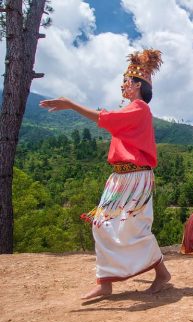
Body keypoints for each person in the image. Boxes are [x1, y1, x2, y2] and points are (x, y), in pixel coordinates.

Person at [39, 49, 171, 299]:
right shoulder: (130, 112)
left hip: (135, 176)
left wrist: (70, 104)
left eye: (126, 81)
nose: (123, 85)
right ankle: (105, 281)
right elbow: (110, 119)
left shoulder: (139, 109)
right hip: (120, 178)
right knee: (101, 225)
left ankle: (161, 273)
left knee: (133, 228)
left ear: (137, 85)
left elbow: (105, 118)